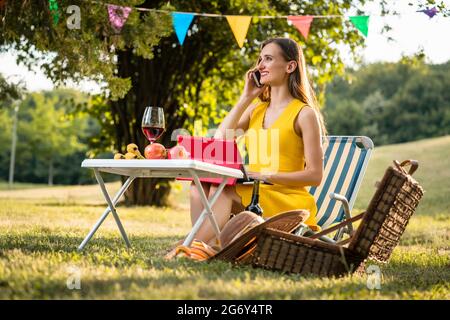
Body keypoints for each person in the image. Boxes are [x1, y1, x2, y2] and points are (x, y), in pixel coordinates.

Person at [171, 37, 326, 256]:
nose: (260, 65)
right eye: (260, 59)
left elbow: (314, 176)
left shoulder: (305, 114)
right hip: (255, 191)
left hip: (287, 200)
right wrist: (246, 97)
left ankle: (189, 248)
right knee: (199, 185)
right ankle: (203, 246)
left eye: (269, 59)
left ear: (290, 66)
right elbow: (220, 142)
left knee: (222, 190)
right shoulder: (256, 110)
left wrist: (262, 174)